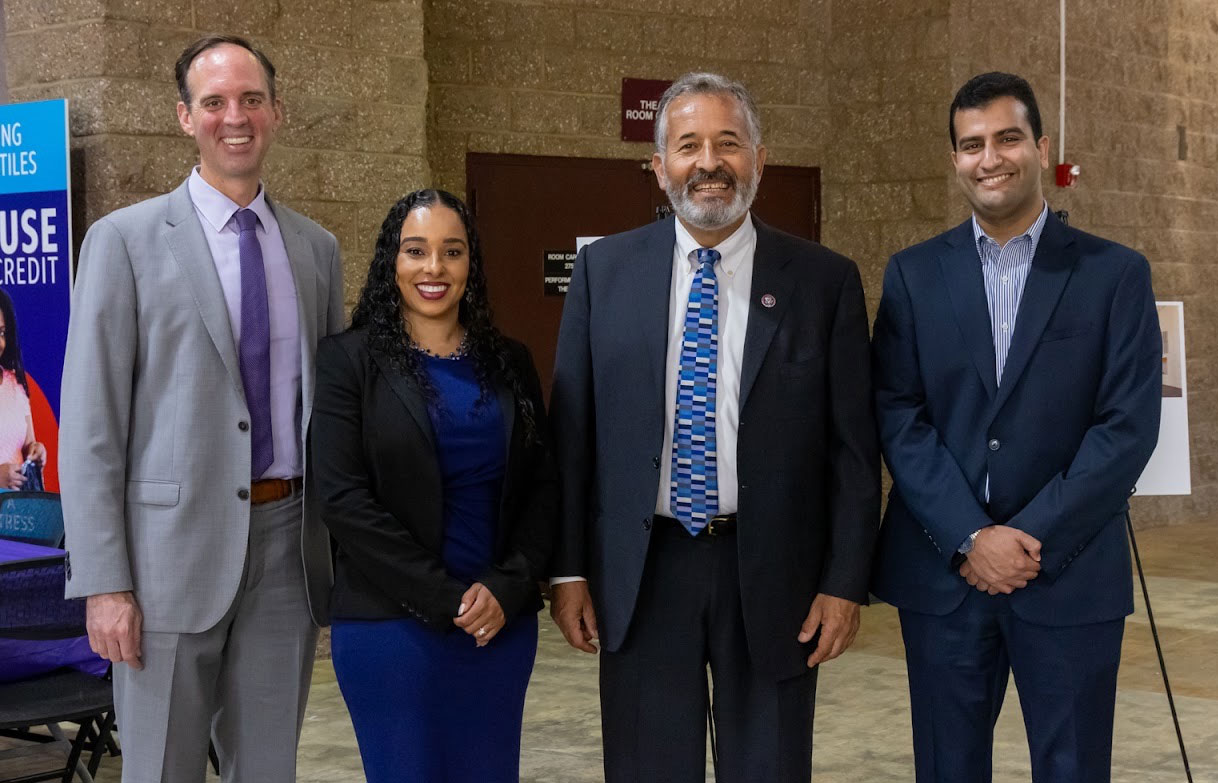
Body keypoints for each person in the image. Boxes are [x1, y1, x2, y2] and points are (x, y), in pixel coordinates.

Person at [549, 72, 880, 783]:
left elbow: (854, 452)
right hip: (642, 575)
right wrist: (570, 569)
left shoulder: (823, 282)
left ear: (759, 159)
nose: (709, 163)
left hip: (777, 576)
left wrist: (845, 581)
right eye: (688, 144)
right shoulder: (602, 272)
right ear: (659, 165)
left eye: (728, 143)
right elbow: (572, 441)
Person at [59, 34, 344, 782]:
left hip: (287, 548)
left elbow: (331, 415)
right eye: (214, 102)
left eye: (251, 99)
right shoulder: (122, 242)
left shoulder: (317, 251)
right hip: (163, 565)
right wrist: (104, 583)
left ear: (278, 113)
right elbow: (91, 429)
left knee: (269, 767)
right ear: (185, 118)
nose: (235, 116)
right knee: (160, 768)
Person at [871, 72, 1162, 783]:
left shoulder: (1114, 274)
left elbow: (1126, 428)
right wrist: (972, 536)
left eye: (1007, 137)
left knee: (1072, 768)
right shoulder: (912, 275)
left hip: (1068, 572)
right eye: (971, 144)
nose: (989, 158)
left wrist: (1027, 540)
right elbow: (898, 415)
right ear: (954, 160)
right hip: (945, 573)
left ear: (1042, 145)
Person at [310, 189, 556, 783]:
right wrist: (448, 599)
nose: (434, 268)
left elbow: (543, 490)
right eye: (416, 250)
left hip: (499, 628)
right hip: (391, 630)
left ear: (471, 264)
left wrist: (507, 587)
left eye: (452, 251)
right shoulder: (350, 361)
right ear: (391, 263)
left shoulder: (511, 362)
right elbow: (342, 499)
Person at [0, 287, 45, 489]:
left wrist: (37, 452)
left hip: (18, 513)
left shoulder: (15, 384)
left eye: (1, 333)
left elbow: (29, 444)